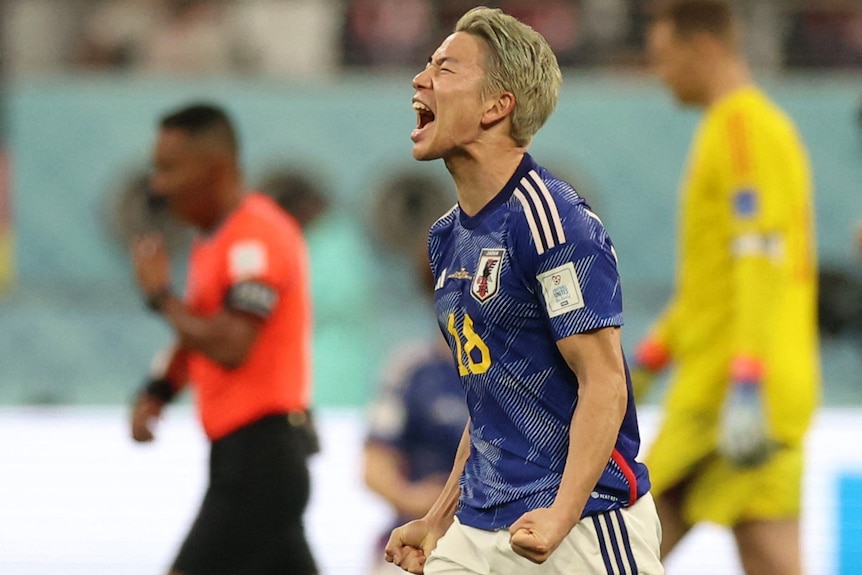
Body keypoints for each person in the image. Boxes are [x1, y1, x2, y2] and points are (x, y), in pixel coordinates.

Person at [384, 7, 663, 574]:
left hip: (583, 525)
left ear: (497, 105)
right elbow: (492, 400)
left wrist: (562, 513)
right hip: (479, 526)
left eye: (445, 67)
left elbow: (604, 380)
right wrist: (439, 517)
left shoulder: (551, 220)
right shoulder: (445, 239)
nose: (420, 78)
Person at [631, 1, 820, 574]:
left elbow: (759, 260)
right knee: (766, 551)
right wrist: (644, 364)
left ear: (704, 46)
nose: (658, 72)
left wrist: (746, 378)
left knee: (623, 543)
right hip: (746, 381)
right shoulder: (734, 126)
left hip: (731, 392)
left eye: (665, 58)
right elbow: (708, 289)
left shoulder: (741, 127)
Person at [128, 102, 319, 575]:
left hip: (260, 457)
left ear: (216, 169)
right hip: (250, 457)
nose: (158, 183)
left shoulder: (258, 236)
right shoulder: (215, 239)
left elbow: (233, 344)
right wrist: (160, 389)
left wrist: (160, 298)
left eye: (170, 168)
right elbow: (201, 330)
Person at [363, 245, 469, 575]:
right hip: (420, 543)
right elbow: (374, 465)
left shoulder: (521, 374)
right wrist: (416, 500)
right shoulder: (410, 369)